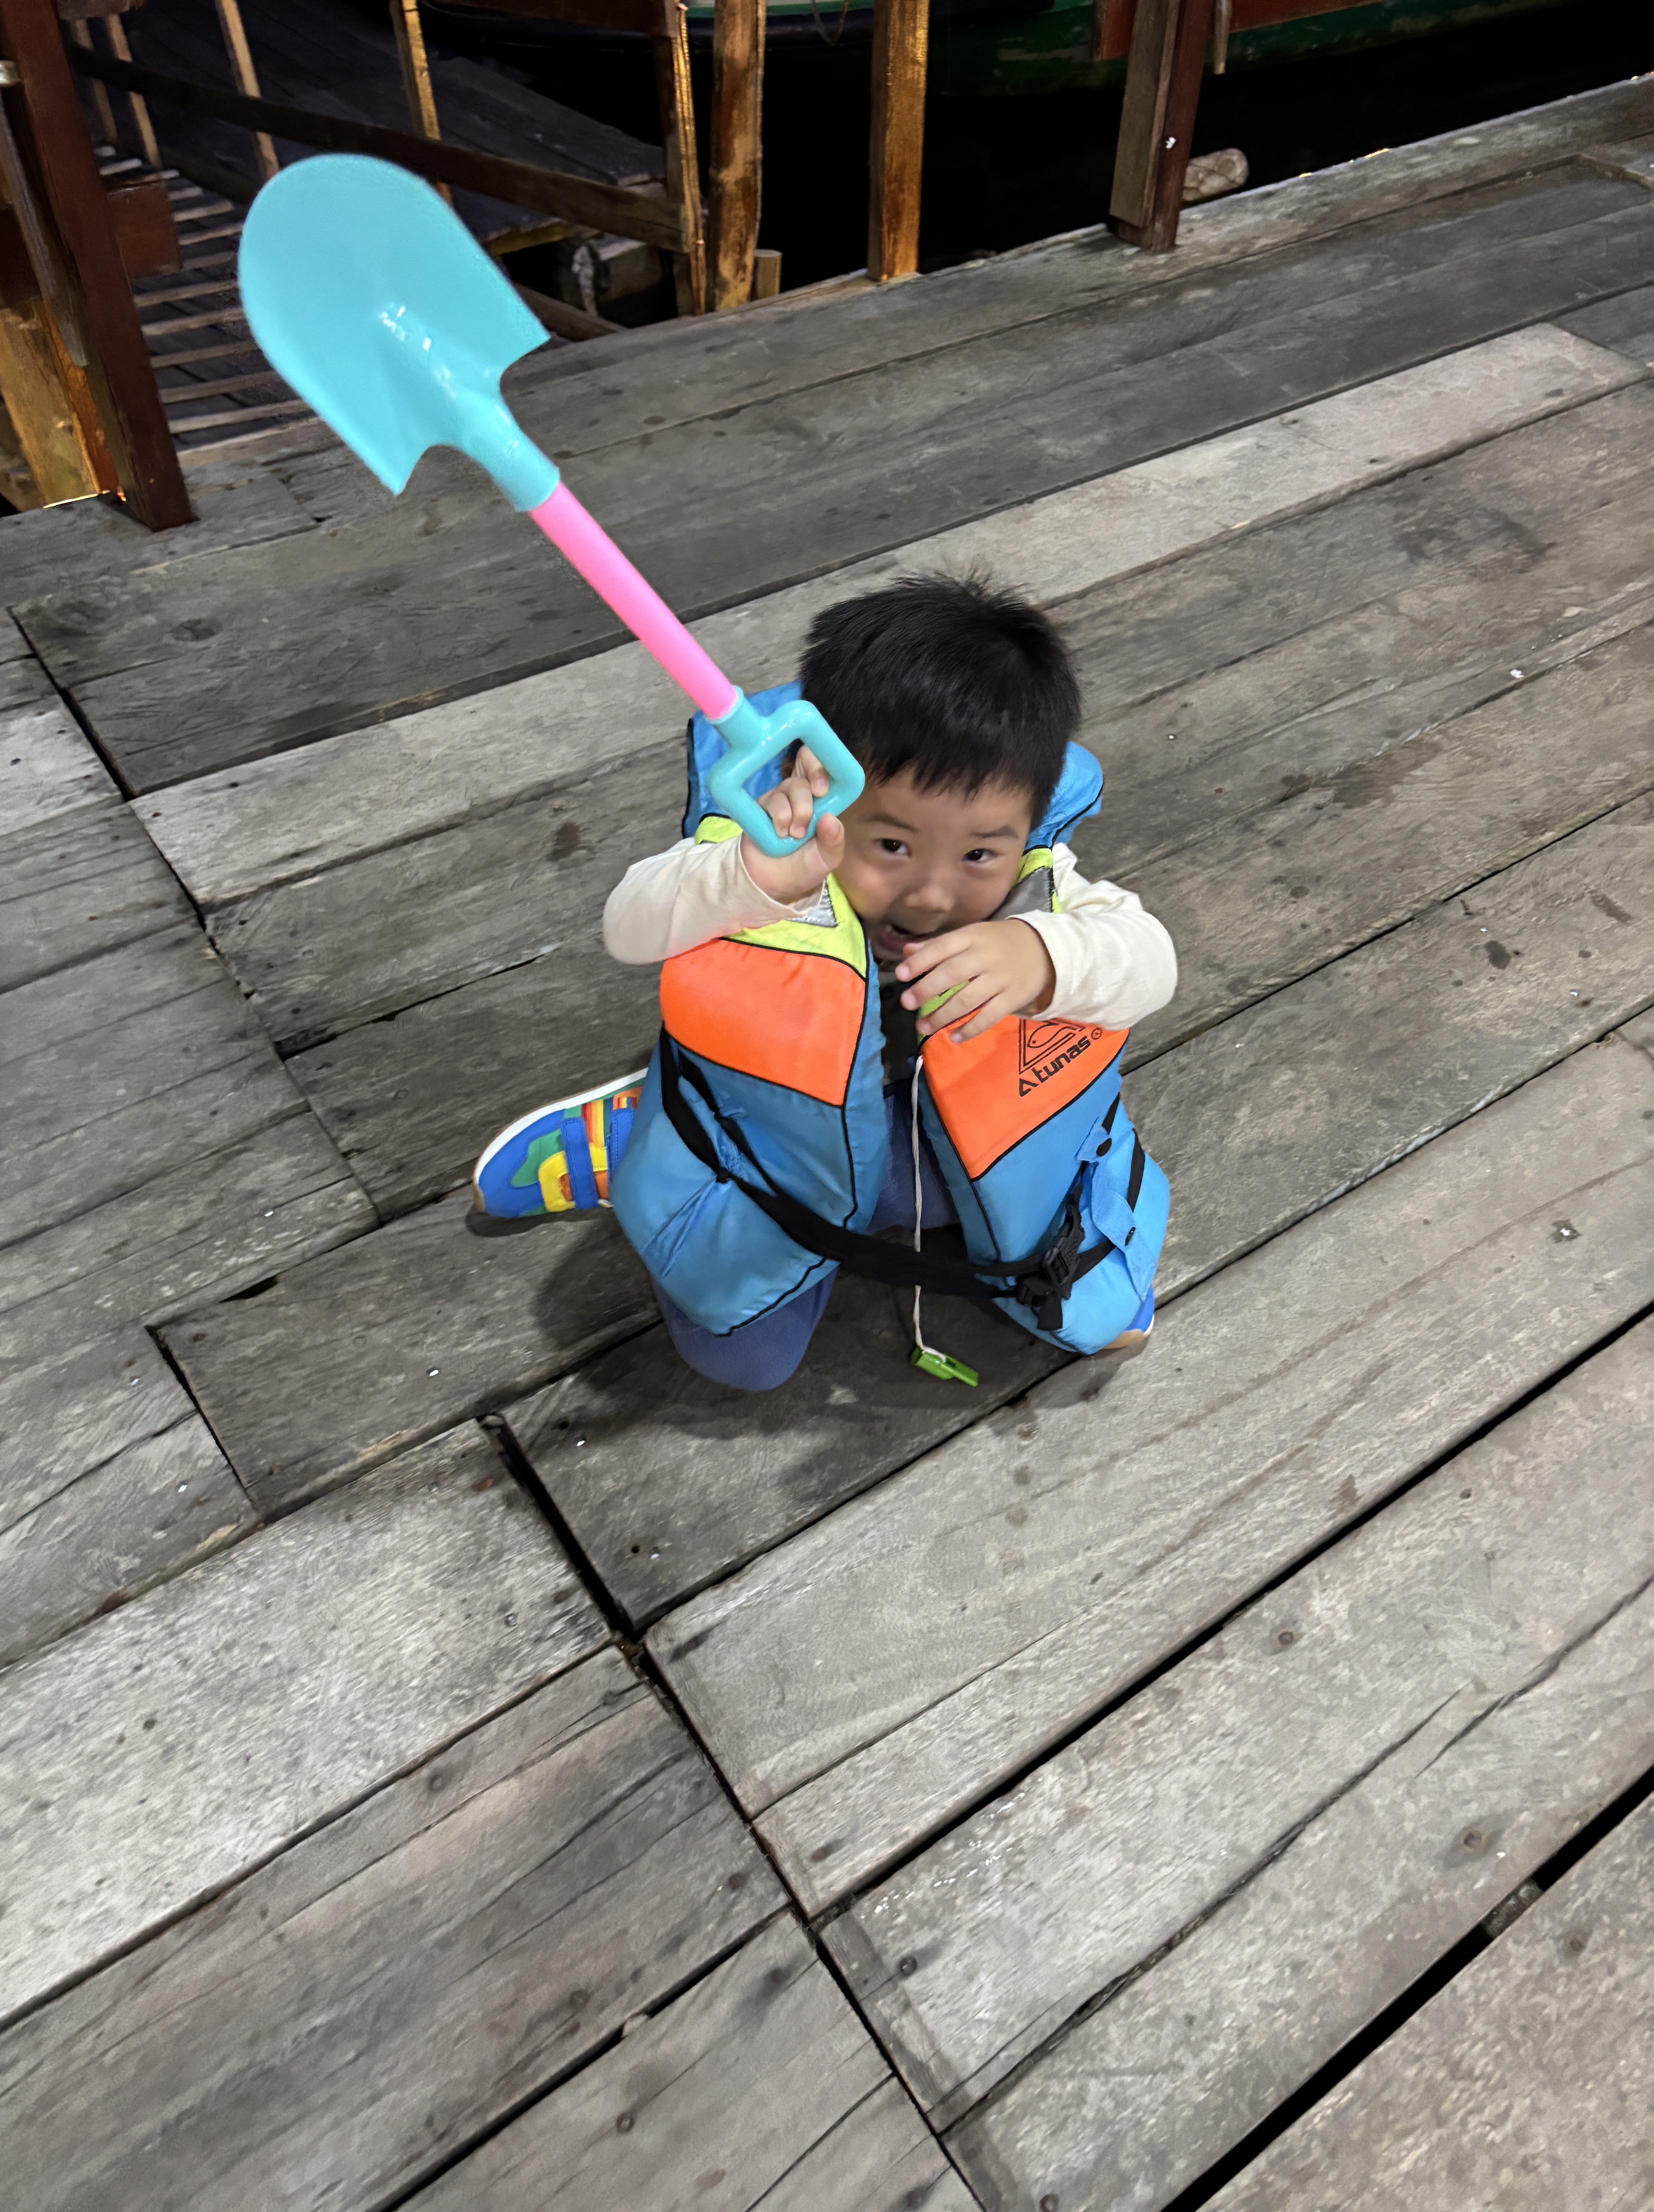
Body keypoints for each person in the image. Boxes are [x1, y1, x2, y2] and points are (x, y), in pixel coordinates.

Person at [472, 573, 1177, 1391]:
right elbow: (627, 926)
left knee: (1068, 1292)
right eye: (892, 845)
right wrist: (746, 878)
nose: (933, 894)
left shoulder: (1041, 890)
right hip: (776, 1142)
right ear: (818, 778)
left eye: (980, 853)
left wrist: (1044, 954)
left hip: (945, 1149)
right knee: (743, 1360)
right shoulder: (774, 859)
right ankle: (646, 1131)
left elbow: (1152, 962)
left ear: (1030, 819)